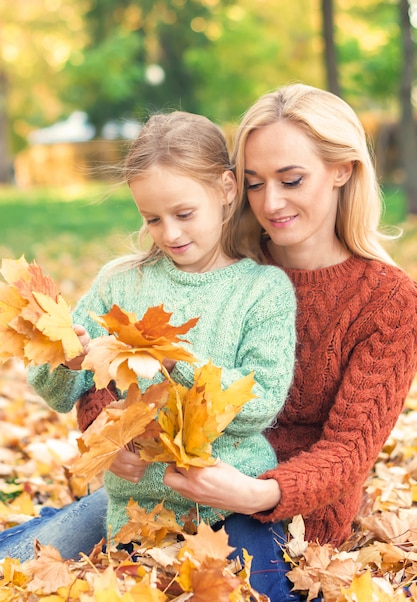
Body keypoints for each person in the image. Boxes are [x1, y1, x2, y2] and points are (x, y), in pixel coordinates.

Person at [0, 111, 297, 597]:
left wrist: (176, 361)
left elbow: (259, 403)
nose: (170, 234)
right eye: (151, 219)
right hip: (138, 510)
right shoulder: (121, 280)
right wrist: (65, 359)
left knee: (261, 592)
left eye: (184, 214)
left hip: (230, 506)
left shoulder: (262, 290)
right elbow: (60, 393)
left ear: (225, 189)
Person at [161, 83, 417, 599]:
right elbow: (139, 355)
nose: (270, 202)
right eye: (254, 184)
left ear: (342, 169)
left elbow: (348, 452)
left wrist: (255, 493)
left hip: (295, 519)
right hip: (175, 486)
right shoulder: (226, 266)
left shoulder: (390, 302)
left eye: (291, 179)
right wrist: (112, 430)